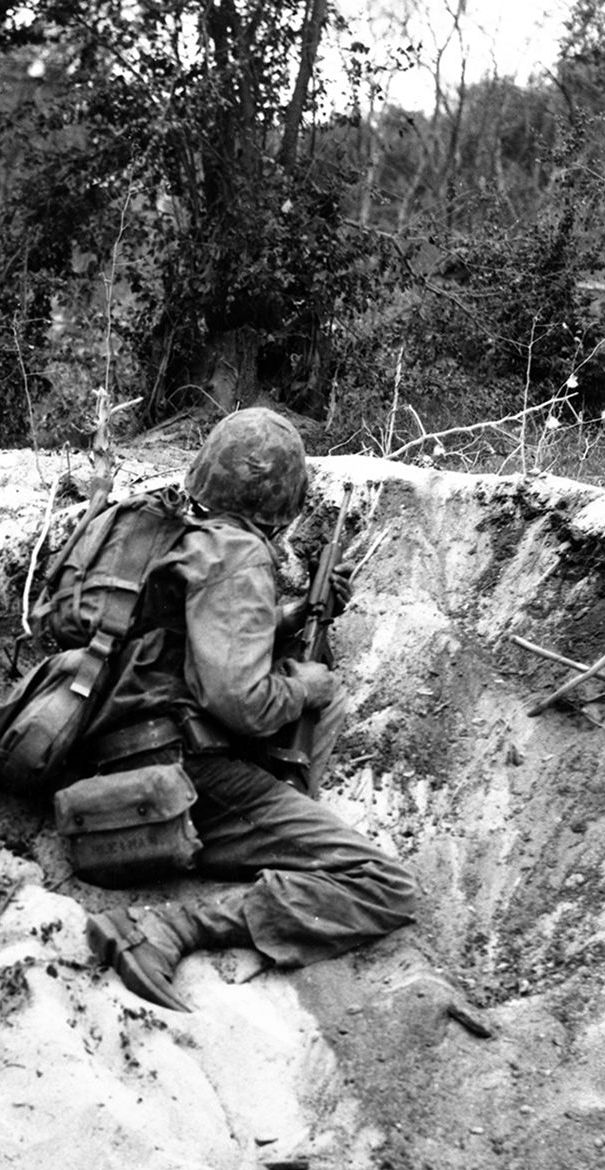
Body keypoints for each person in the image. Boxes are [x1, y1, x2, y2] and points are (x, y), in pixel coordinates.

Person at [81, 408, 419, 1011]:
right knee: (384, 885)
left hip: (107, 750)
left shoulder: (162, 530)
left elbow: (178, 641)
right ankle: (175, 926)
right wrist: (308, 686)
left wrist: (287, 619)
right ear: (282, 497)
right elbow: (242, 703)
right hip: (185, 774)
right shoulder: (238, 554)